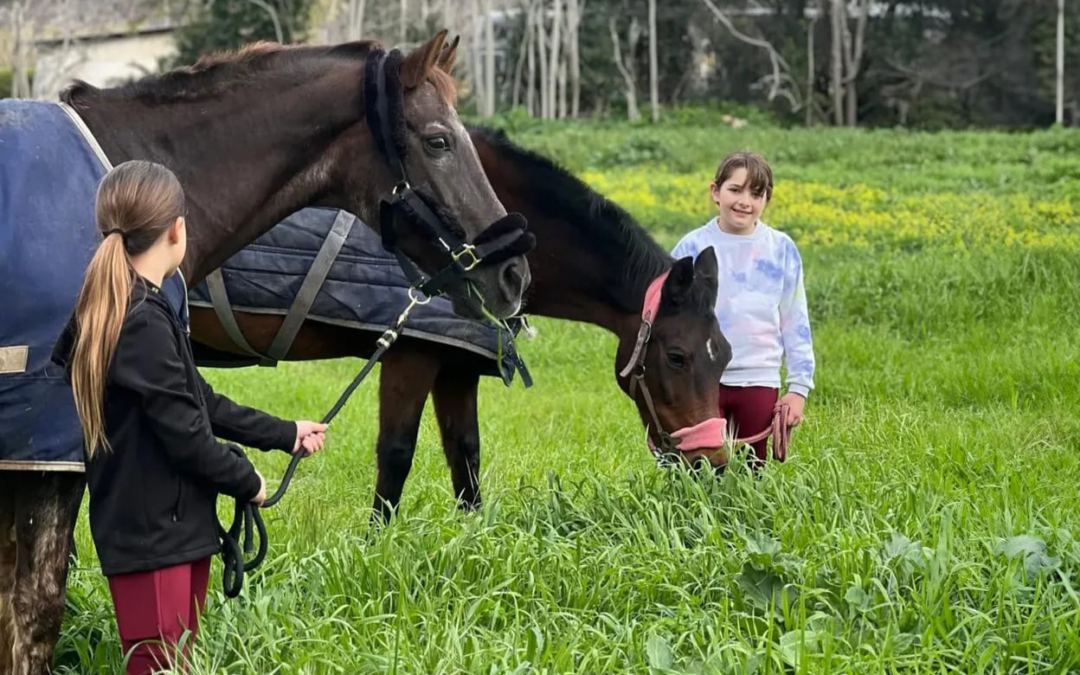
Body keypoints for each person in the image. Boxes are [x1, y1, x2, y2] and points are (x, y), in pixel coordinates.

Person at [52, 160, 328, 674]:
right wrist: (247, 481)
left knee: (175, 664)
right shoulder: (139, 321)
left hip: (172, 529)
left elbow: (200, 400)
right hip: (154, 536)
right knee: (159, 666)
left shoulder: (141, 307)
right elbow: (187, 438)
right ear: (176, 230)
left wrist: (285, 433)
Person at [671, 151, 815, 466]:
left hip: (758, 380)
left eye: (756, 194)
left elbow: (795, 321)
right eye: (735, 190)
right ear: (715, 191)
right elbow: (667, 319)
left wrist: (799, 388)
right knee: (695, 473)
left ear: (766, 199)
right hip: (700, 382)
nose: (744, 202)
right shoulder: (690, 248)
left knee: (753, 471)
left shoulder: (781, 249)